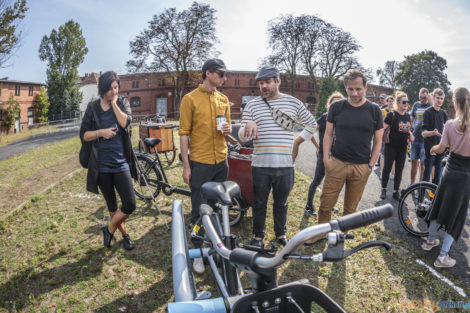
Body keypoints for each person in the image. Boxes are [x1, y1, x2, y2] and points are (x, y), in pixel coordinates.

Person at [240, 66, 316, 248]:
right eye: (260, 83)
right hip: (260, 165)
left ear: (278, 81)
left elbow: (312, 124)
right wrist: (247, 125)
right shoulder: (252, 105)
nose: (263, 86)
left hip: (285, 165)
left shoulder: (293, 103)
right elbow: (242, 137)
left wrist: (297, 141)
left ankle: (280, 234)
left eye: (267, 82)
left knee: (281, 203)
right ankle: (258, 237)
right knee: (259, 203)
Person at [306, 69, 383, 244]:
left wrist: (371, 165)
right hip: (337, 163)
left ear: (365, 87)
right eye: (350, 89)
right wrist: (326, 159)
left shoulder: (374, 110)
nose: (354, 93)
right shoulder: (336, 107)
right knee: (326, 204)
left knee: (350, 209)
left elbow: (378, 141)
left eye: (358, 89)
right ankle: (321, 233)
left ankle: (340, 237)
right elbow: (328, 134)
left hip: (361, 167)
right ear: (345, 88)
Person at [179, 58, 232, 274]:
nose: (224, 78)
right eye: (221, 74)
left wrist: (229, 131)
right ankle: (198, 251)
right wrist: (186, 166)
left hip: (221, 162)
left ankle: (216, 244)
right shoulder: (189, 99)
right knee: (199, 209)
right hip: (200, 163)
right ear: (208, 73)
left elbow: (226, 132)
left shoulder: (224, 99)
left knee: (217, 207)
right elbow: (184, 134)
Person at [79, 71, 137, 250]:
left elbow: (125, 123)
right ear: (102, 89)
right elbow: (84, 135)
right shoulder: (93, 108)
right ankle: (125, 235)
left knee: (130, 203)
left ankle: (109, 229)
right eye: (110, 88)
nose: (114, 91)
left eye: (116, 87)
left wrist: (114, 104)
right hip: (101, 165)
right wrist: (100, 132)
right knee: (112, 205)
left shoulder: (122, 102)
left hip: (120, 163)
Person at [422, 87, 470, 268]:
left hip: (449, 171)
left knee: (439, 206)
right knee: (456, 215)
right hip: (465, 176)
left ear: (455, 102)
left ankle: (429, 241)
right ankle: (442, 257)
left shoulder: (449, 124)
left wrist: (433, 149)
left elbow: (441, 148)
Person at [292, 91, 344, 216]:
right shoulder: (324, 117)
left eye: (339, 102)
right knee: (317, 180)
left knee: (332, 182)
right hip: (324, 154)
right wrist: (317, 146)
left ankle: (329, 204)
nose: (336, 104)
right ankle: (309, 205)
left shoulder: (344, 119)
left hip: (338, 156)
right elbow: (310, 131)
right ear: (329, 104)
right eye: (334, 102)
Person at [380, 92, 414, 200]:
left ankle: (396, 191)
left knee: (399, 170)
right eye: (404, 102)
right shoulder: (392, 115)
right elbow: (382, 128)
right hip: (391, 147)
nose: (406, 104)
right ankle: (384, 189)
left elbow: (407, 128)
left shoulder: (408, 116)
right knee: (387, 169)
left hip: (402, 148)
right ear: (398, 103)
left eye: (407, 102)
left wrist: (411, 135)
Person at [422, 88, 448, 184]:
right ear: (433, 98)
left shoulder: (443, 113)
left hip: (441, 148)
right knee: (426, 175)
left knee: (438, 178)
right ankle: (421, 196)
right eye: (438, 98)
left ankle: (434, 198)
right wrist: (433, 132)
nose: (440, 100)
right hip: (430, 148)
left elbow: (447, 129)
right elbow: (423, 133)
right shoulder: (427, 112)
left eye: (441, 98)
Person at [410, 88, 431, 184]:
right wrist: (409, 132)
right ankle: (412, 184)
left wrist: (430, 98)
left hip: (425, 140)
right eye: (420, 97)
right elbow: (411, 119)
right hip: (415, 138)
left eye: (424, 97)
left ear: (427, 96)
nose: (422, 99)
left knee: (423, 164)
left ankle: (420, 185)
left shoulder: (431, 106)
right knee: (414, 163)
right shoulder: (416, 105)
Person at [379, 95, 395, 177]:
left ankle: (392, 173)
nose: (391, 102)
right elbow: (380, 123)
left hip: (394, 136)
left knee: (393, 155)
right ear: (387, 102)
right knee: (383, 154)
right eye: (389, 101)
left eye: (392, 101)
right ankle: (382, 172)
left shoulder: (396, 112)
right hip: (385, 135)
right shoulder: (383, 111)